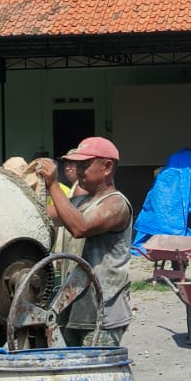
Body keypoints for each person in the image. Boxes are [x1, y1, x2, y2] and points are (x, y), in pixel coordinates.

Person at [36, 137, 133, 346]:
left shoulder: (116, 204)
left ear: (107, 167)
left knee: (96, 375)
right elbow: (42, 216)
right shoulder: (79, 202)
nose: (79, 171)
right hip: (73, 309)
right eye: (76, 165)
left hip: (102, 314)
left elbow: (80, 227)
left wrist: (53, 184)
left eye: (84, 165)